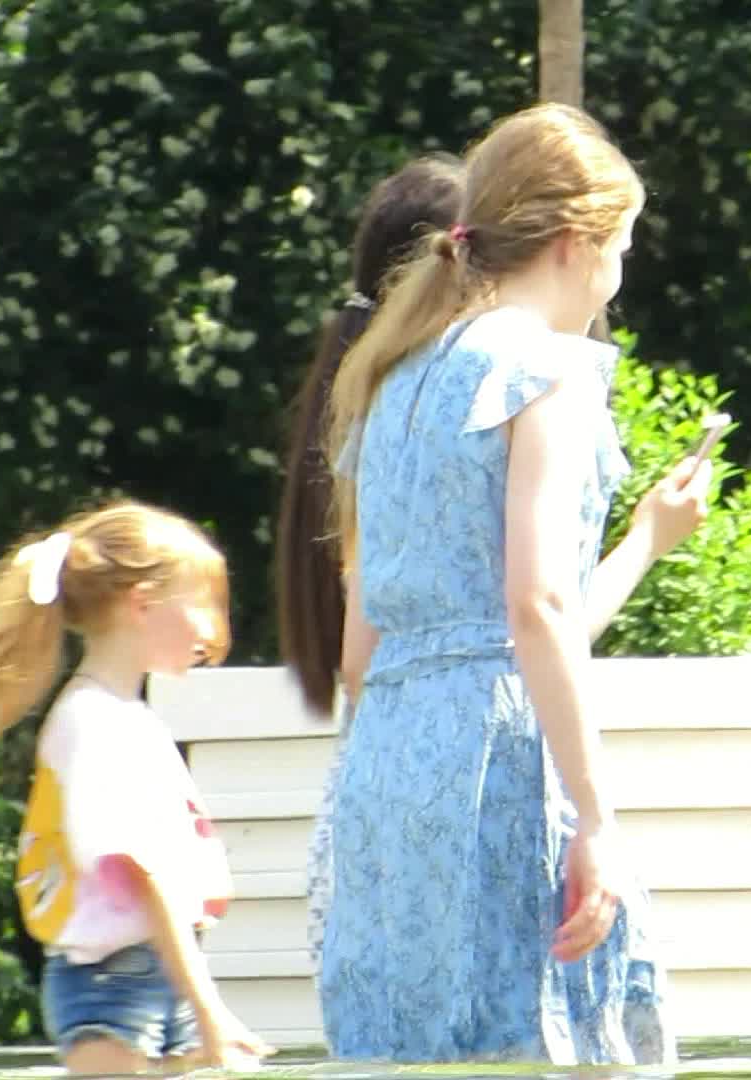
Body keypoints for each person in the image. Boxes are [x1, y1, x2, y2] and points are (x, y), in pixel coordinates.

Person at [317, 102, 710, 1063]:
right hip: (506, 766)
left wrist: (642, 543)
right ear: (576, 244)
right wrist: (596, 819)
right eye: (622, 248)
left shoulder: (390, 381)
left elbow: (367, 654)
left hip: (389, 778)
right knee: (556, 1038)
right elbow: (535, 611)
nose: (619, 276)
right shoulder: (549, 372)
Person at [0, 500, 273, 1075]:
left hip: (154, 975)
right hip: (112, 987)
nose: (214, 629)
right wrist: (210, 1011)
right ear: (142, 604)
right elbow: (147, 876)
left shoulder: (126, 718)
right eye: (203, 604)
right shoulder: (94, 725)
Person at [273, 152, 469, 974]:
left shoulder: (360, 411)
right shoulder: (401, 425)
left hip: (371, 810)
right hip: (411, 819)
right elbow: (365, 655)